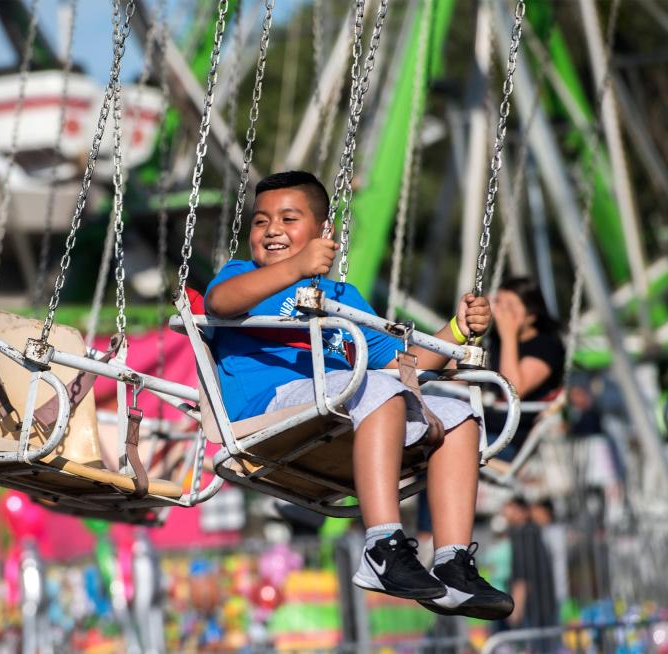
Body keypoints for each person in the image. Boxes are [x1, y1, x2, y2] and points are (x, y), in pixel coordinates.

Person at [204, 170, 513, 620]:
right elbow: (220, 303)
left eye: (289, 218)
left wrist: (458, 329)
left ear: (323, 231)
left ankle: (452, 562)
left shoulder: (343, 295)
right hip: (270, 409)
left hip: (343, 403)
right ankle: (383, 546)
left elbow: (403, 363)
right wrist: (295, 268)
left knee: (457, 413)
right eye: (261, 220)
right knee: (375, 388)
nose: (271, 229)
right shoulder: (243, 275)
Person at [486, 276, 565, 459]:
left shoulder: (546, 346)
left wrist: (508, 335)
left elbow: (513, 389)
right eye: (499, 303)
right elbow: (454, 376)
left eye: (510, 307)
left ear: (530, 316)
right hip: (480, 426)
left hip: (506, 439)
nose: (502, 312)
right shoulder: (492, 341)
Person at [502, 496, 558, 633]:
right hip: (543, 604)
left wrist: (517, 606)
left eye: (511, 508)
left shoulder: (523, 534)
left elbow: (522, 573)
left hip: (532, 607)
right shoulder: (534, 532)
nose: (506, 512)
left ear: (523, 512)